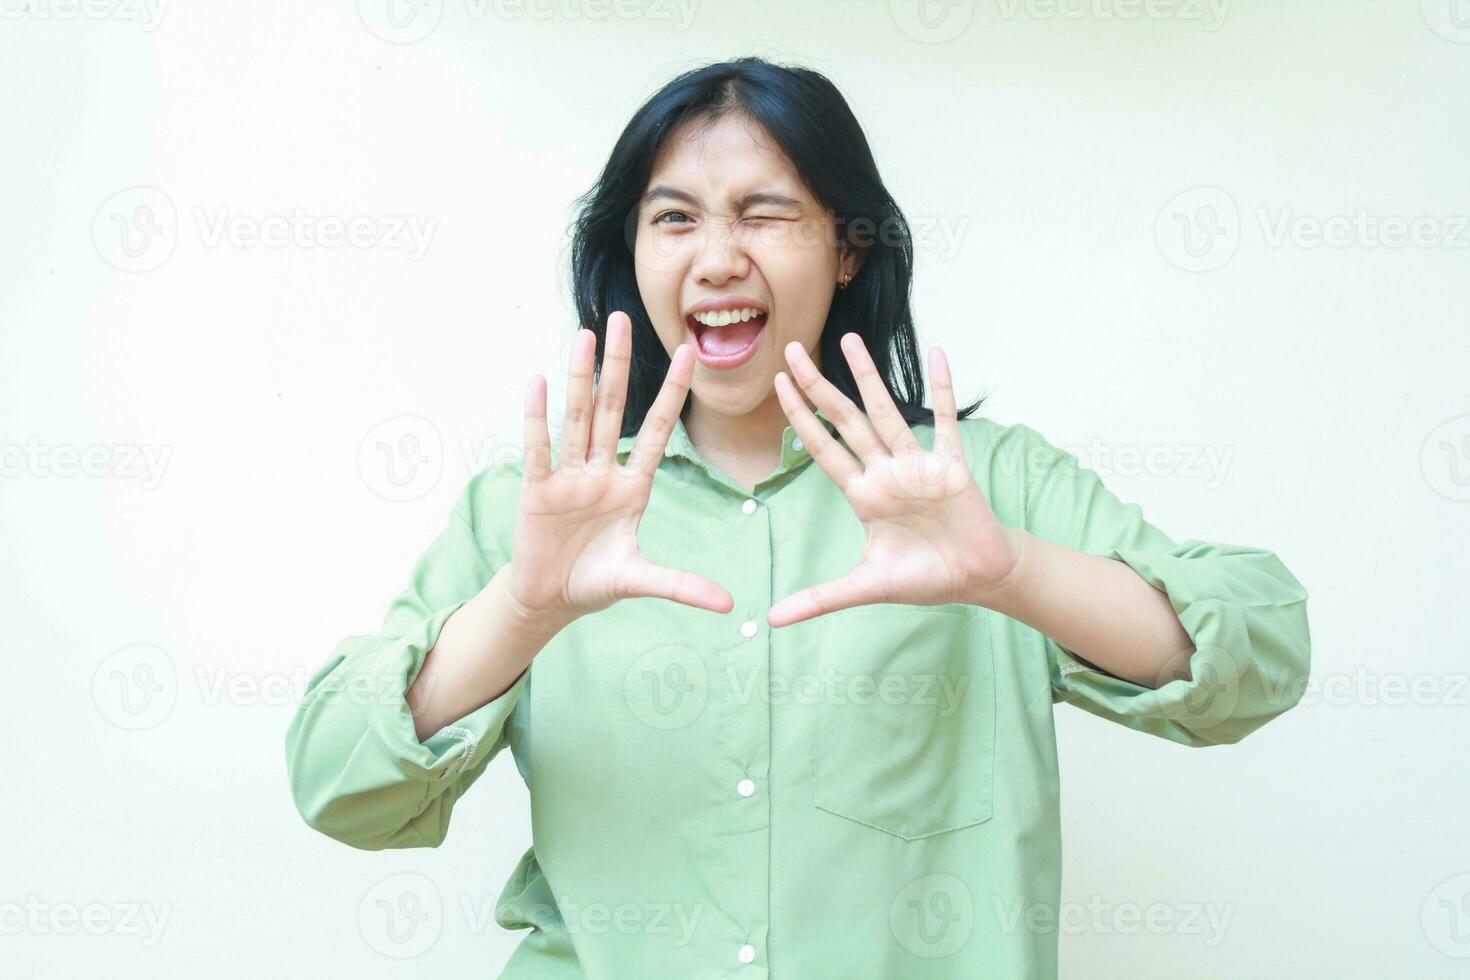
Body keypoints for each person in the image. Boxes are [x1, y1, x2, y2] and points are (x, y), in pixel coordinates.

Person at [284, 57, 1311, 978]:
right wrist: (521, 608)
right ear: (631, 255)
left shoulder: (978, 482)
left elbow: (1261, 651)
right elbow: (341, 782)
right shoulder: (539, 507)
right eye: (675, 217)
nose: (718, 257)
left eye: (764, 213)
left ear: (848, 249)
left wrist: (1011, 575)